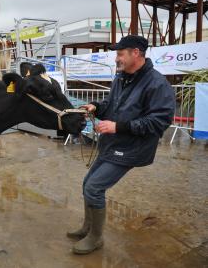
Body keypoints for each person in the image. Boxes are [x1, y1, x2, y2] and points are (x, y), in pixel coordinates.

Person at [67, 35, 175, 255]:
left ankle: (96, 238)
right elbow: (110, 104)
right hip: (112, 144)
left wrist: (118, 127)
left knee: (94, 188)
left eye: (120, 53)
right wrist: (96, 106)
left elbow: (159, 121)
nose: (116, 58)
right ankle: (88, 228)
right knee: (88, 183)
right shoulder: (121, 77)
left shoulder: (157, 83)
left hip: (132, 147)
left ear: (136, 53)